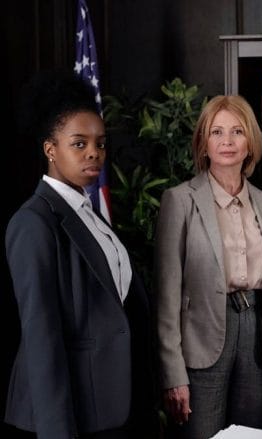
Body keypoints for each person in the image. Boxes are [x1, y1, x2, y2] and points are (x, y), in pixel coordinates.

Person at [4, 72, 155, 438]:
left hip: (112, 408)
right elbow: (42, 337)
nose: (94, 152)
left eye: (100, 144)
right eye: (79, 143)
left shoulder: (89, 214)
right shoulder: (35, 221)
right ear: (50, 149)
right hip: (71, 415)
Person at [156, 95, 262, 438]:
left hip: (259, 341)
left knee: (250, 435)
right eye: (216, 132)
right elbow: (167, 296)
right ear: (203, 143)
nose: (227, 141)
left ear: (250, 142)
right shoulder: (180, 200)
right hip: (202, 341)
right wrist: (174, 375)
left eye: (237, 131)